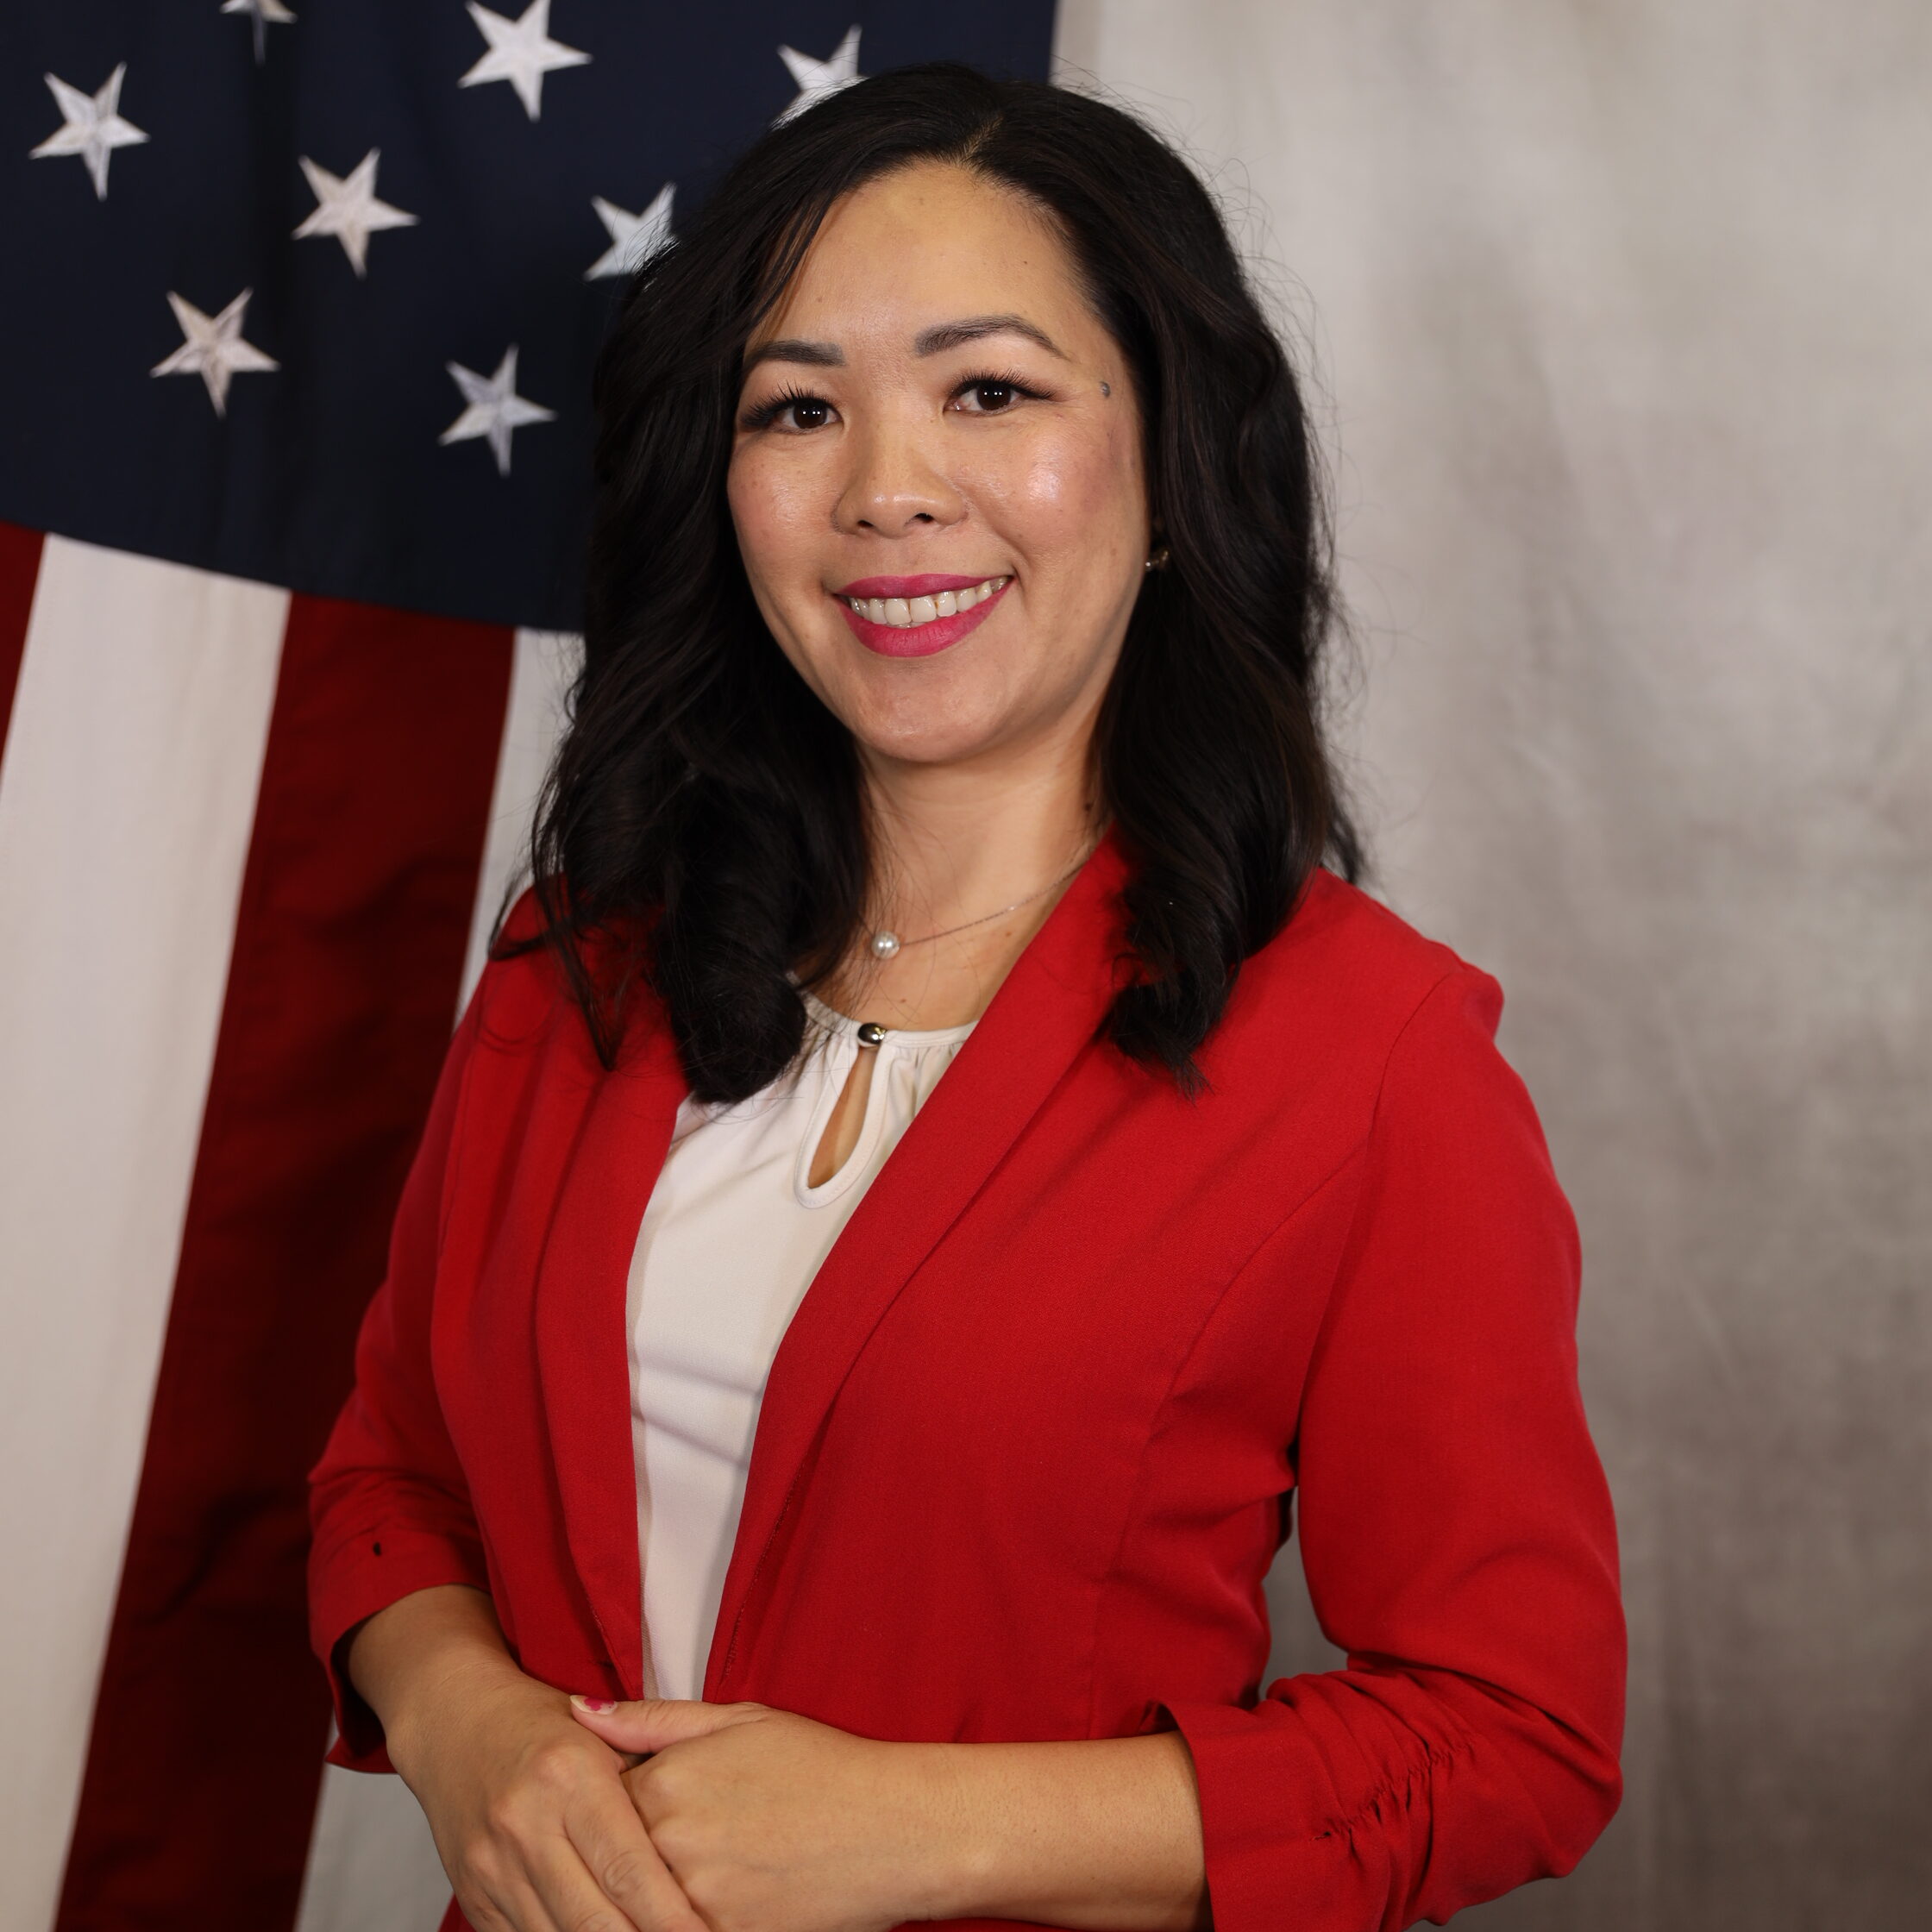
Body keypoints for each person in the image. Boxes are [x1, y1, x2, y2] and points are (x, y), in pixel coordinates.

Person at [308, 62, 1625, 1932]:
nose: (885, 489)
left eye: (987, 388)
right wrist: (462, 1723)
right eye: (797, 408)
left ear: (1171, 465)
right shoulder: (579, 964)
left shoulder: (1374, 1056)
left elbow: (1513, 1732)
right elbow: (392, 1475)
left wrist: (923, 1830)